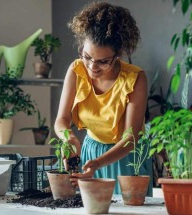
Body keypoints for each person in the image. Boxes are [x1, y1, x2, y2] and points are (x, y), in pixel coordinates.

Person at [54, 1, 152, 195]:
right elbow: (61, 120)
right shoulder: (76, 70)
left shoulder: (135, 79)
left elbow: (130, 138)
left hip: (125, 159)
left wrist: (99, 163)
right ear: (82, 47)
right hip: (89, 153)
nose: (92, 67)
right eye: (87, 56)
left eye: (103, 61)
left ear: (117, 55)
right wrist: (70, 137)